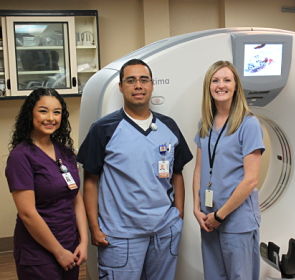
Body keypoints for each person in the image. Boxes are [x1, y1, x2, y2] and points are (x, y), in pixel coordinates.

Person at [77, 58, 193, 280]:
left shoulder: (169, 126)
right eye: (131, 80)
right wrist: (95, 227)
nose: (138, 85)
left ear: (151, 85)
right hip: (121, 236)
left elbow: (177, 173)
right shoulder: (104, 129)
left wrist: (178, 215)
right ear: (121, 87)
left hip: (164, 232)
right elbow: (90, 180)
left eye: (143, 80)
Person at [5, 88, 88, 280]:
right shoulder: (21, 156)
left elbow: (76, 199)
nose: (50, 118)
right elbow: (27, 213)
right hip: (39, 252)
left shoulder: (65, 153)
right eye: (43, 111)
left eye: (56, 112)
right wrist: (58, 252)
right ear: (30, 113)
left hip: (70, 245)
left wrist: (83, 241)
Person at [193, 60, 265, 280]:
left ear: (236, 86)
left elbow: (251, 180)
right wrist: (196, 208)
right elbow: (199, 168)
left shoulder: (248, 124)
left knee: (239, 276)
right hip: (208, 215)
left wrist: (220, 216)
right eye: (215, 80)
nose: (220, 85)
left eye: (226, 80)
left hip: (235, 219)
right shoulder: (205, 123)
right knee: (214, 276)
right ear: (208, 86)